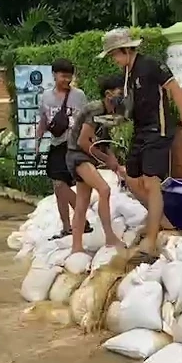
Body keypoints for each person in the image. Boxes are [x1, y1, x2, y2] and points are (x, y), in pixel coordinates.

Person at [98, 28, 182, 262]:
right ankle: (161, 221)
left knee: (151, 182)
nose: (114, 60)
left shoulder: (151, 66)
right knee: (131, 179)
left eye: (114, 54)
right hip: (140, 130)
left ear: (125, 50)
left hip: (158, 129)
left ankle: (151, 240)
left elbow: (177, 92)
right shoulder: (127, 73)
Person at [65, 74, 128, 254]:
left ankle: (76, 247)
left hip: (87, 156)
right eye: (119, 93)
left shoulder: (110, 113)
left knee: (82, 202)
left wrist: (113, 161)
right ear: (108, 94)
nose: (122, 96)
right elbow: (84, 142)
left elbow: (102, 143)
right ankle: (109, 237)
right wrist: (107, 160)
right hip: (77, 155)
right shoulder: (95, 110)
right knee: (104, 190)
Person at [34, 58, 91, 239]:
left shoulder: (79, 96)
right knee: (58, 187)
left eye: (69, 77)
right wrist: (37, 143)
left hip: (74, 146)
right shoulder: (45, 97)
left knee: (62, 185)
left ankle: (82, 220)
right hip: (57, 144)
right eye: (63, 76)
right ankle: (67, 227)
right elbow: (43, 121)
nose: (66, 80)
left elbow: (88, 121)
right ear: (54, 75)